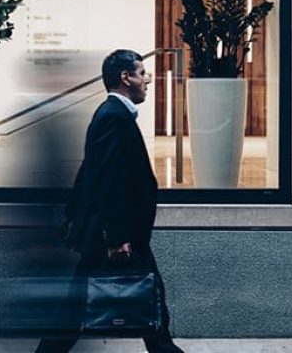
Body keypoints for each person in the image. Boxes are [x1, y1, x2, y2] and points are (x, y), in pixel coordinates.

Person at [35, 49, 183, 353]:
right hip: (117, 235)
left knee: (78, 308)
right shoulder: (114, 117)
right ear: (125, 77)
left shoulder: (113, 115)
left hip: (115, 233)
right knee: (149, 302)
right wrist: (116, 237)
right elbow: (108, 181)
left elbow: (90, 170)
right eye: (142, 73)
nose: (147, 80)